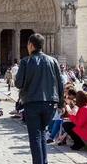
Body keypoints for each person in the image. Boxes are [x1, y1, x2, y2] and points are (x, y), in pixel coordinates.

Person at [15, 33, 64, 164]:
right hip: (50, 103)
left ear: (31, 45)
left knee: (35, 136)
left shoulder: (25, 61)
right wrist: (61, 104)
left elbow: (18, 83)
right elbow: (60, 83)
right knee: (42, 132)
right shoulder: (53, 61)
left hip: (32, 103)